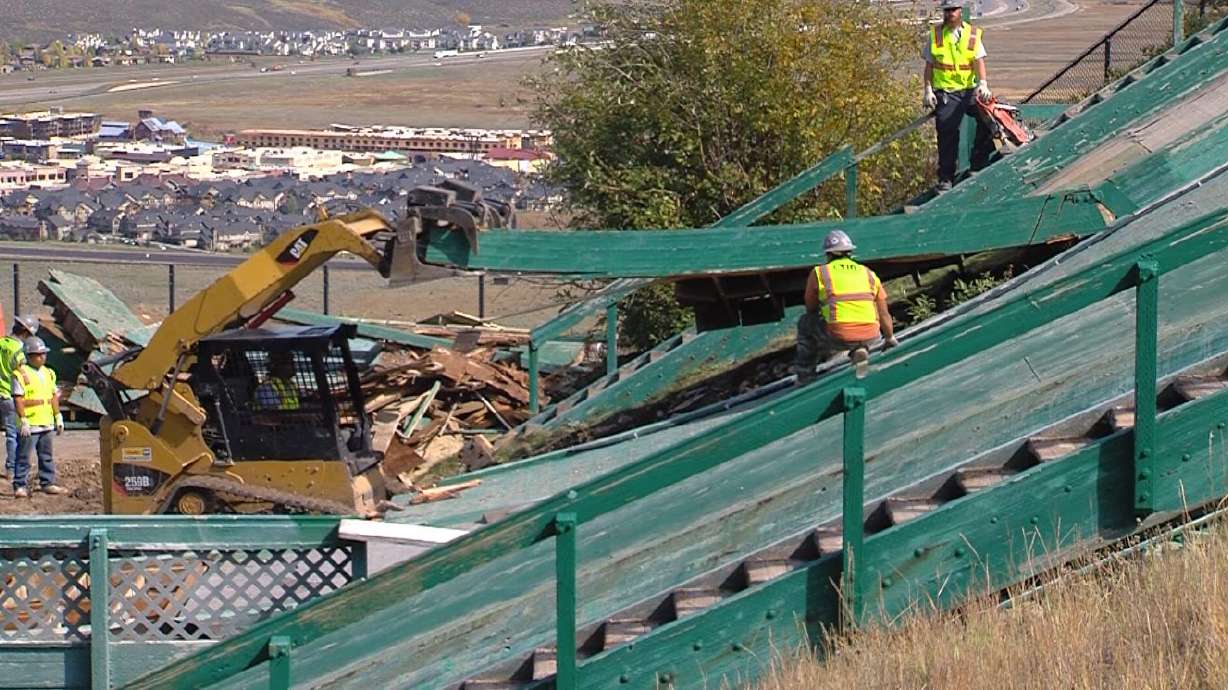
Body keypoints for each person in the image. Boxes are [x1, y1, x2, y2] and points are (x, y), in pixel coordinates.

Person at [794, 230, 898, 384]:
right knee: (859, 326)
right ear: (850, 252)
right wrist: (889, 337)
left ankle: (805, 375)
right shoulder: (868, 273)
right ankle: (860, 349)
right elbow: (883, 312)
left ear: (828, 254)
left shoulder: (820, 273)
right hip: (872, 335)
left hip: (840, 336)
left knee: (805, 322)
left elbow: (811, 308)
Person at [923, 0, 995, 191]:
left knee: (989, 117)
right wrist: (928, 90)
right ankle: (946, 178)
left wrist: (983, 84)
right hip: (946, 92)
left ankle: (978, 162)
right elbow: (929, 66)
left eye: (953, 10)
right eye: (946, 11)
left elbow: (979, 61)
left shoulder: (972, 34)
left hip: (969, 90)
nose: (949, 14)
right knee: (947, 132)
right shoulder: (935, 36)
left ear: (960, 11)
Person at [11, 337, 66, 498]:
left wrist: (58, 416)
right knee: (24, 456)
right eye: (38, 354)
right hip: (30, 423)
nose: (42, 357)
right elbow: (18, 399)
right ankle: (20, 484)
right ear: (29, 356)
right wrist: (23, 420)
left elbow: (53, 396)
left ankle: (47, 482)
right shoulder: (20, 374)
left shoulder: (49, 373)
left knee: (46, 456)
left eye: (43, 354)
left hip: (46, 422)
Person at [0, 314, 37, 480]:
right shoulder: (18, 351)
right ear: (25, 332)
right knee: (14, 434)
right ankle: (12, 468)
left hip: (1, 393)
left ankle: (11, 467)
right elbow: (24, 376)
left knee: (9, 433)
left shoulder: (1, 343)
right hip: (10, 395)